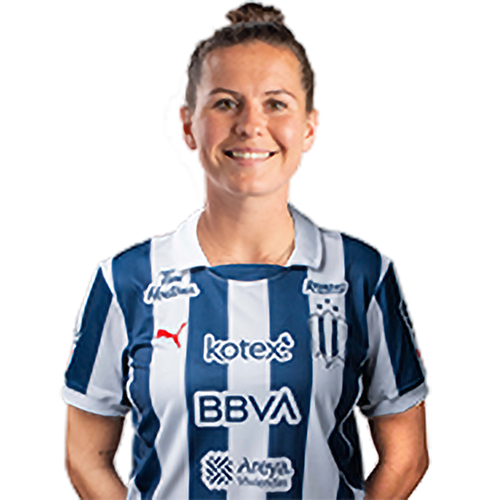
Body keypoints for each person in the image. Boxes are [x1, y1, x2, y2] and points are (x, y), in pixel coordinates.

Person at [63, 4, 429, 499]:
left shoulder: (361, 275)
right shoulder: (126, 281)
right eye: (225, 103)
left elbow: (406, 456)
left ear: (308, 128)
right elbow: (86, 455)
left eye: (276, 103)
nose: (251, 124)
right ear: (188, 128)